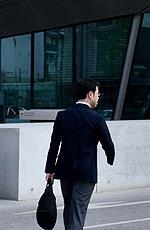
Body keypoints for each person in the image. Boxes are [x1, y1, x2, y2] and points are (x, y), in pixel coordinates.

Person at [45, 79, 115, 230]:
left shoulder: (63, 116)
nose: (98, 97)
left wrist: (49, 169)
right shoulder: (96, 118)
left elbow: (54, 144)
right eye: (97, 94)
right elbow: (108, 144)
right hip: (85, 172)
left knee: (69, 209)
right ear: (90, 94)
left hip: (65, 170)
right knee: (78, 211)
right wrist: (110, 158)